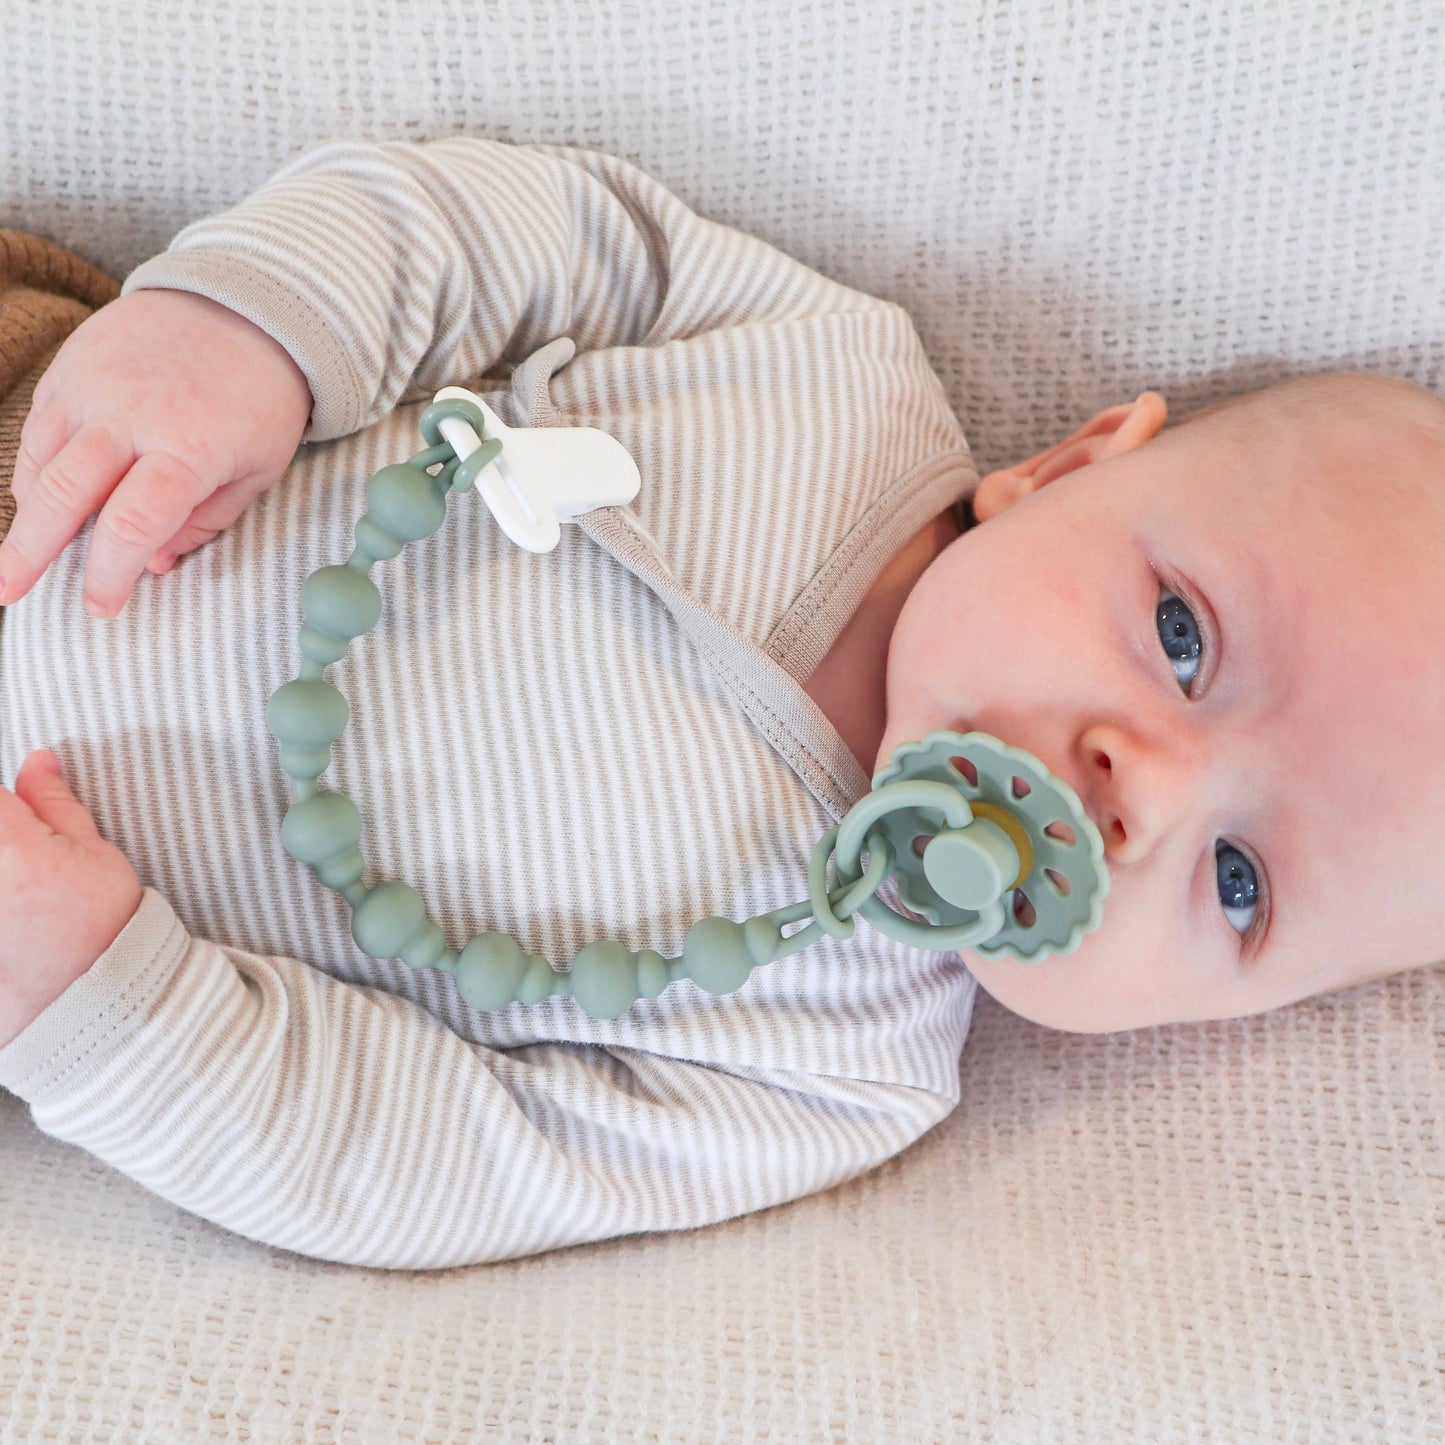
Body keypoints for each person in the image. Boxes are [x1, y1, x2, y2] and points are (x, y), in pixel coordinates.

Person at [0, 136, 1440, 1269]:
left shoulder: (837, 1068)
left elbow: (416, 1161)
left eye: (1239, 883)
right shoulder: (829, 370)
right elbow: (502, 230)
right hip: (62, 442)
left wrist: (102, 1007)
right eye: (1181, 636)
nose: (1151, 794)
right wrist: (242, 333)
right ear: (1066, 469)